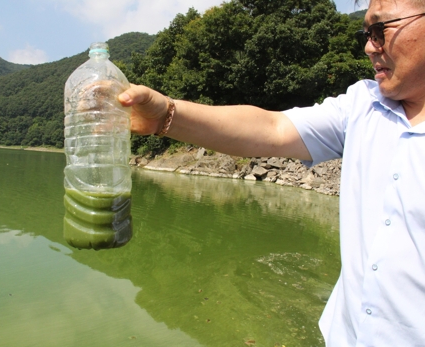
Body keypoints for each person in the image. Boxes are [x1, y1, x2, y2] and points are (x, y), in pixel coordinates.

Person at [118, 0, 425, 345]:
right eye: (366, 32)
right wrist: (164, 115)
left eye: (381, 30)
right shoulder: (364, 107)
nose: (370, 45)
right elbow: (272, 128)